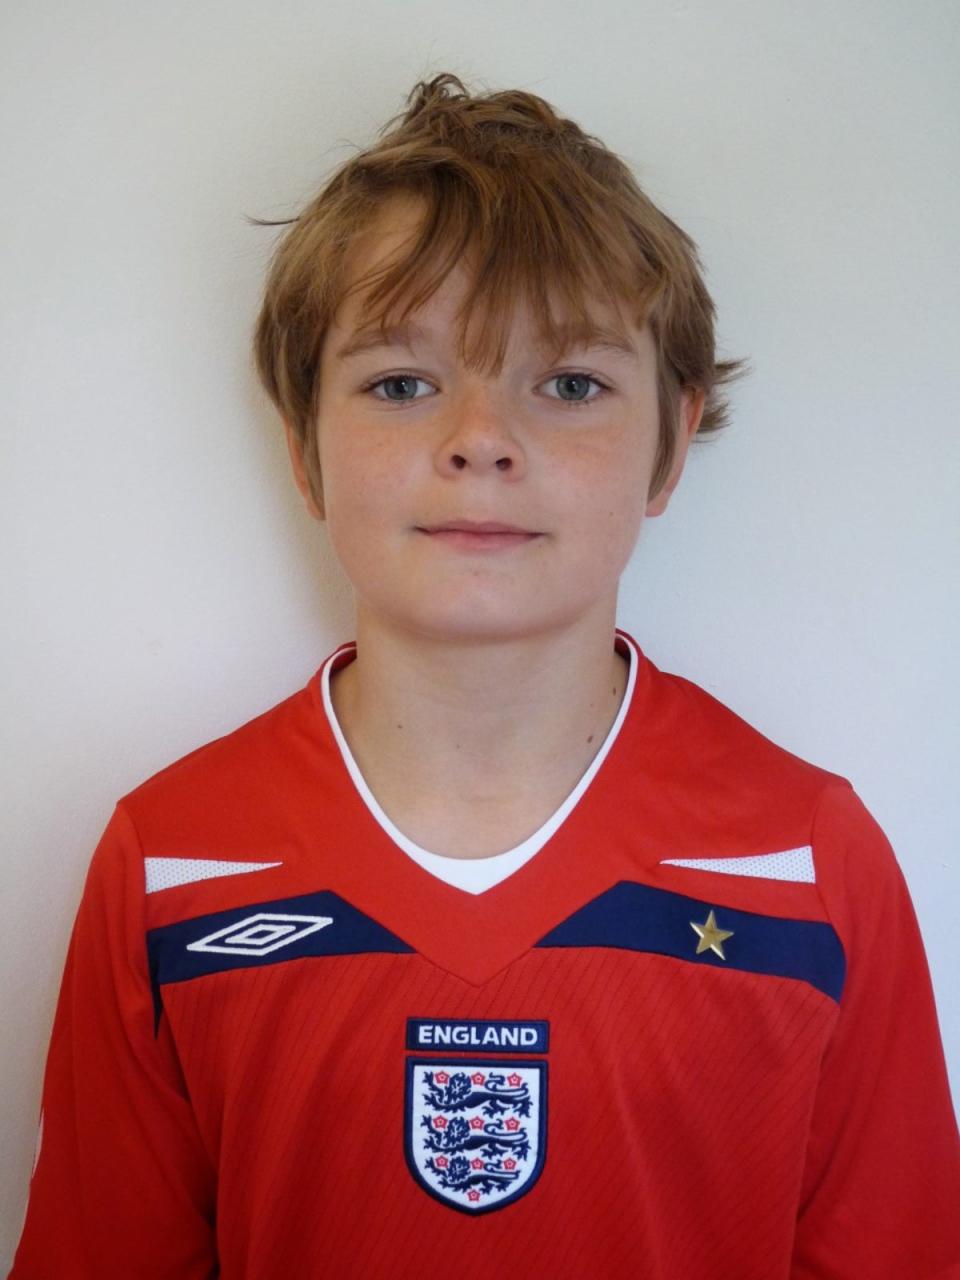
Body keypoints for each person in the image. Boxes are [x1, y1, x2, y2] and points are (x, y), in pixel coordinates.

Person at [9, 72, 959, 1279]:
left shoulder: (807, 859)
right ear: (303, 446)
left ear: (672, 438)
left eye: (568, 384)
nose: (479, 436)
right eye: (401, 383)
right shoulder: (174, 860)